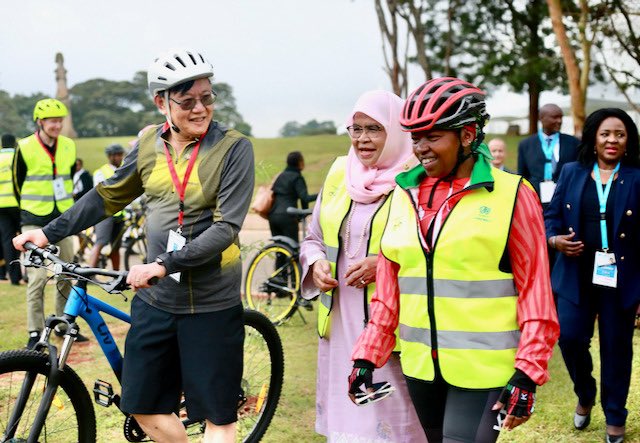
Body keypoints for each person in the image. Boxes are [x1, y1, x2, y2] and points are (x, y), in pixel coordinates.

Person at [14, 47, 254, 443]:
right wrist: (47, 232)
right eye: (187, 101)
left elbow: (226, 227)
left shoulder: (233, 148)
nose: (200, 109)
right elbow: (106, 197)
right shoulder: (148, 146)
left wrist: (163, 263)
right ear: (162, 103)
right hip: (157, 300)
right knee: (141, 404)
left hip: (210, 300)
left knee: (217, 416)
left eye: (207, 98)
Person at [348, 78, 560, 443]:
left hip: (484, 369)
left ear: (467, 135)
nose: (421, 148)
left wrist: (528, 373)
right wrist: (366, 356)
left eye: (432, 136)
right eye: (415, 137)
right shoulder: (404, 194)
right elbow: (388, 290)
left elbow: (536, 293)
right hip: (421, 369)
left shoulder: (512, 195)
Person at [300, 90, 426, 442]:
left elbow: (429, 250)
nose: (362, 139)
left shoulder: (416, 179)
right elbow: (312, 237)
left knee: (393, 417)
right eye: (355, 129)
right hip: (342, 319)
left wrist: (383, 264)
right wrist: (317, 263)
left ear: (397, 132)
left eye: (374, 128)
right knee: (350, 421)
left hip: (390, 322)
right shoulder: (340, 172)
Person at [545, 108, 640, 443]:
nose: (612, 140)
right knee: (569, 338)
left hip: (622, 276)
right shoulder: (571, 172)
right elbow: (550, 216)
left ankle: (615, 415)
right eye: (605, 134)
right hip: (575, 274)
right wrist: (554, 240)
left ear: (628, 141)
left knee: (617, 348)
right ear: (594, 139)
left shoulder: (637, 176)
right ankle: (585, 393)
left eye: (619, 134)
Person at [13, 98, 87, 347]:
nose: (56, 126)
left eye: (59, 121)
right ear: (40, 122)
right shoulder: (23, 147)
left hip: (62, 219)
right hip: (33, 218)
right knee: (36, 279)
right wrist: (19, 220)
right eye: (51, 121)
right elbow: (16, 184)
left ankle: (63, 324)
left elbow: (67, 179)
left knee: (66, 273)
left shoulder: (68, 146)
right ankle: (35, 331)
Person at [517, 103, 580, 205]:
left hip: (566, 199)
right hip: (535, 201)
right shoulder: (526, 145)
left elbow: (578, 172)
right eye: (555, 117)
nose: (559, 121)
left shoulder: (573, 143)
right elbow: (522, 176)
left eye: (561, 117)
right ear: (541, 118)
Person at [87, 144, 126, 270]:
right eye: (118, 155)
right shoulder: (100, 172)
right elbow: (101, 192)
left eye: (121, 154)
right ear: (111, 156)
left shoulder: (124, 169)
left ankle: (117, 275)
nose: (120, 157)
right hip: (104, 214)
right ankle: (88, 275)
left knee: (116, 247)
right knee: (100, 243)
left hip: (119, 214)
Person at [268, 151, 317, 243]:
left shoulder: (281, 176)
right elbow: (305, 198)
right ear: (300, 162)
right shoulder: (297, 177)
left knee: (280, 249)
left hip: (273, 215)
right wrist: (321, 194)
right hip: (287, 216)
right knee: (292, 249)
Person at [0, 134, 22, 285]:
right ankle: (28, 274)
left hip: (1, 205)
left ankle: (14, 277)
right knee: (25, 237)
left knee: (7, 240)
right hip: (19, 203)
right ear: (14, 144)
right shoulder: (18, 157)